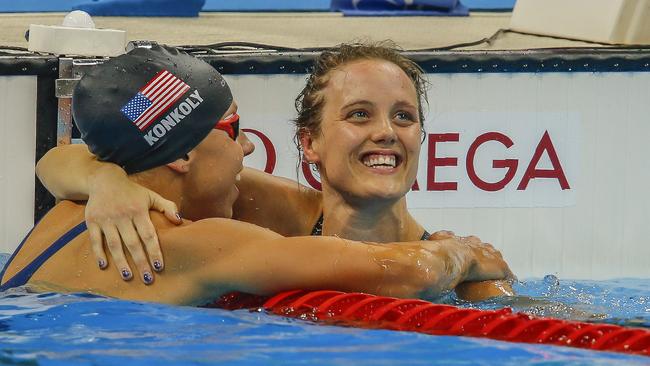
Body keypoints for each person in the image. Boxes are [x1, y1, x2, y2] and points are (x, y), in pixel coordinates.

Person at [0, 45, 512, 305]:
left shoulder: (74, 211)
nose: (247, 145)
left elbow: (56, 160)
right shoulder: (197, 241)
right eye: (234, 128)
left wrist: (104, 179)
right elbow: (412, 272)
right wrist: (461, 252)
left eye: (404, 117)